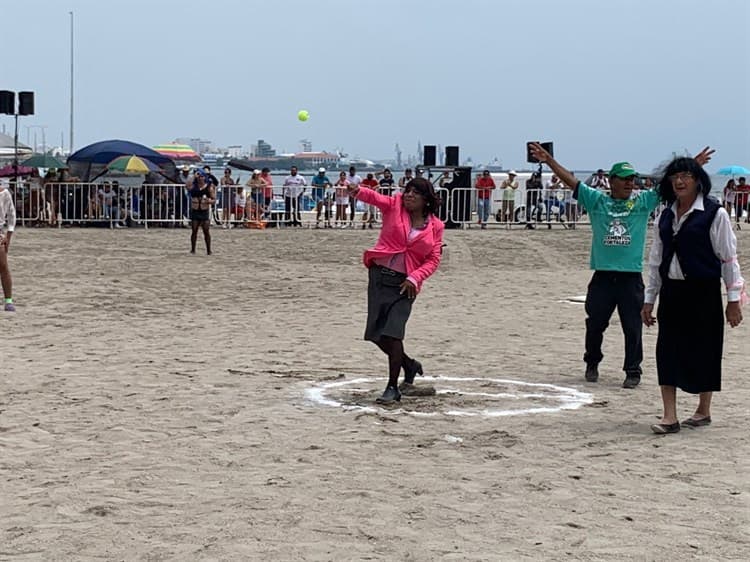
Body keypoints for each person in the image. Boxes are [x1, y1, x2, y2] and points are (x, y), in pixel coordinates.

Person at [528, 141, 715, 389]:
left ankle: (632, 370)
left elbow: (670, 183)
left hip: (630, 278)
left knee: (632, 327)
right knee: (595, 324)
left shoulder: (642, 203)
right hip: (603, 276)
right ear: (611, 181)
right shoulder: (596, 201)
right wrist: (549, 161)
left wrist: (695, 165)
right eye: (624, 179)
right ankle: (592, 361)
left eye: (632, 179)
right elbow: (571, 182)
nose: (630, 183)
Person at [642, 156, 745, 434]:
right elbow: (656, 260)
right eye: (675, 176)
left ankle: (703, 409)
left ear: (698, 179)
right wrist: (649, 299)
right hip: (673, 292)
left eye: (686, 175)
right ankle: (669, 416)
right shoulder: (664, 215)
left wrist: (733, 300)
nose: (680, 180)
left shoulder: (715, 213)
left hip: (704, 291)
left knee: (705, 349)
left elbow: (728, 259)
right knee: (667, 351)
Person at [347, 177, 444, 404]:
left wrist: (415, 276)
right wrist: (356, 191)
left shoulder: (435, 226)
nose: (409, 195)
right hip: (380, 277)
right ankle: (409, 365)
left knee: (393, 332)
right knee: (375, 334)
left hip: (406, 284)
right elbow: (375, 198)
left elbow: (433, 258)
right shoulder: (394, 206)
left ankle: (392, 386)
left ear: (426, 199)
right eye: (407, 190)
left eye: (415, 192)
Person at [188, 171, 215, 255]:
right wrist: (193, 176)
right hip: (195, 210)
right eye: (199, 177)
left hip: (204, 210)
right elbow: (187, 186)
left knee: (206, 231)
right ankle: (193, 249)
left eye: (202, 177)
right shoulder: (194, 186)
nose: (201, 178)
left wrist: (209, 201)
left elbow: (214, 199)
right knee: (194, 230)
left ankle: (209, 250)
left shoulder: (209, 187)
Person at [0, 179, 16, 311]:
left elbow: (12, 215)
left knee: (3, 266)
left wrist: (8, 236)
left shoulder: (5, 194)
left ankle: (8, 300)